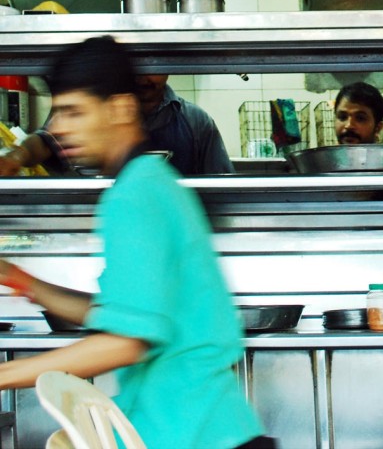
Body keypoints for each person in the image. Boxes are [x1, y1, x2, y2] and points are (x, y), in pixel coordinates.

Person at [0, 36, 271, 449]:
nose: (58, 127)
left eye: (74, 111)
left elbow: (128, 341)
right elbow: (122, 315)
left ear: (121, 108)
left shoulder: (134, 195)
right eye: (57, 112)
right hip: (210, 430)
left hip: (194, 436)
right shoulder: (152, 182)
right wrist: (25, 282)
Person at [0, 73, 234, 176]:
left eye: (154, 67)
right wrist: (16, 156)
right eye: (138, 67)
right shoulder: (101, 111)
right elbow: (45, 140)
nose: (144, 78)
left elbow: (223, 187)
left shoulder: (196, 122)